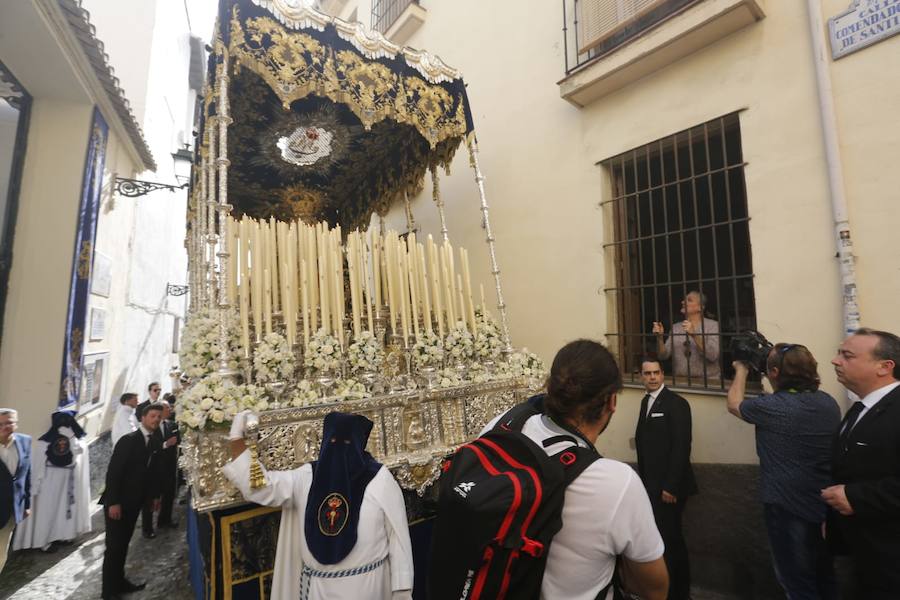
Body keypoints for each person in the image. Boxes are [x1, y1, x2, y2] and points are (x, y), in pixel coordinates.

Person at [479, 340, 668, 600]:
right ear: (612, 402)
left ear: (551, 389)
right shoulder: (616, 482)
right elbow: (655, 589)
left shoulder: (497, 429)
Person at [223, 411, 414, 600]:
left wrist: (402, 592)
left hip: (365, 588)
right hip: (317, 589)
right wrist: (236, 438)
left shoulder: (379, 480)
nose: (338, 450)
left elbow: (397, 538)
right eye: (333, 442)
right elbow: (262, 487)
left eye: (347, 444)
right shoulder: (307, 476)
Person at [727, 343, 840, 599]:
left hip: (787, 509)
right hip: (824, 506)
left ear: (775, 372)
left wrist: (742, 369)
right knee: (825, 577)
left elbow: (734, 403)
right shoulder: (827, 403)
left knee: (797, 583)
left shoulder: (772, 408)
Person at [822, 328, 900, 598]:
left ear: (884, 367)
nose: (835, 360)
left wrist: (854, 496)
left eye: (847, 355)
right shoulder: (859, 408)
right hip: (862, 554)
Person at [635, 358, 697, 600]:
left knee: (672, 540)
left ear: (663, 374)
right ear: (641, 376)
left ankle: (680, 593)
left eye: (656, 372)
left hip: (670, 488)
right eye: (647, 373)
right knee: (661, 537)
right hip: (652, 485)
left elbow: (682, 447)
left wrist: (670, 486)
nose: (652, 377)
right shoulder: (644, 402)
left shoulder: (676, 403)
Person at [100, 402, 164, 600]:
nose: (156, 420)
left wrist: (154, 497)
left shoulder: (153, 441)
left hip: (134, 503)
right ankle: (108, 592)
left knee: (123, 544)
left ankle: (120, 582)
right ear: (143, 418)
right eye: (153, 416)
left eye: (159, 417)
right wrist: (113, 502)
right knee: (114, 547)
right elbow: (114, 473)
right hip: (118, 503)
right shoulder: (128, 440)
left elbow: (151, 473)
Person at [13, 410, 91, 553]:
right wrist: (35, 485)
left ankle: (62, 535)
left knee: (62, 509)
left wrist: (71, 435)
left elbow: (78, 451)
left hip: (63, 479)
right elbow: (37, 465)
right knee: (51, 510)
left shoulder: (69, 438)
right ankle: (45, 540)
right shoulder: (50, 440)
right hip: (51, 479)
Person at [653, 291, 721, 382]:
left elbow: (713, 355)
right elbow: (663, 356)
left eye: (689, 300)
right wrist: (660, 338)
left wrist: (694, 335)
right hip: (680, 381)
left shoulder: (712, 325)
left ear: (700, 307)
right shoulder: (676, 327)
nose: (683, 302)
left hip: (708, 382)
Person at [0, 408, 31, 573]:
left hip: (10, 511)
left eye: (9, 422)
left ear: (16, 424)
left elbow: (27, 475)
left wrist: (26, 504)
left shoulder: (25, 442)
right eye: (0, 424)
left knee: (1, 555)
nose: (4, 426)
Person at [155, 400, 179, 529]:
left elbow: (178, 439)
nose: (170, 410)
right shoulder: (153, 425)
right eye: (167, 408)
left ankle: (166, 520)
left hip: (170, 465)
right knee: (153, 496)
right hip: (156, 466)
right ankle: (148, 528)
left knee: (169, 493)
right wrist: (165, 444)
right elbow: (150, 445)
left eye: (170, 408)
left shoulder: (172, 424)